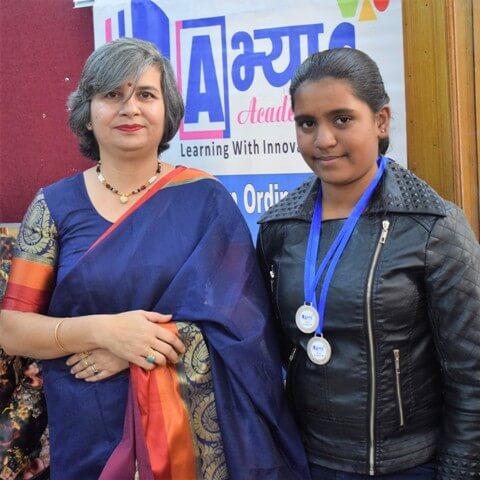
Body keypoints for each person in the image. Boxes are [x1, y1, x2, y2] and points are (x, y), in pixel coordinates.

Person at [0, 37, 311, 480]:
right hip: (87, 432)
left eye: (146, 95)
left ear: (168, 111)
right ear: (87, 112)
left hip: (186, 447)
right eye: (112, 95)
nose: (130, 108)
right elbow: (12, 330)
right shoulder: (53, 207)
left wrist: (140, 351)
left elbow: (245, 334)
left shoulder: (206, 202)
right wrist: (105, 332)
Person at [256, 47, 480, 480]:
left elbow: (471, 376)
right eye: (307, 123)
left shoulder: (432, 226)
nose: (323, 140)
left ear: (381, 121)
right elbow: (272, 352)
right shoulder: (279, 227)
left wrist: (460, 470)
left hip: (410, 465)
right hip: (306, 460)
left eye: (342, 119)